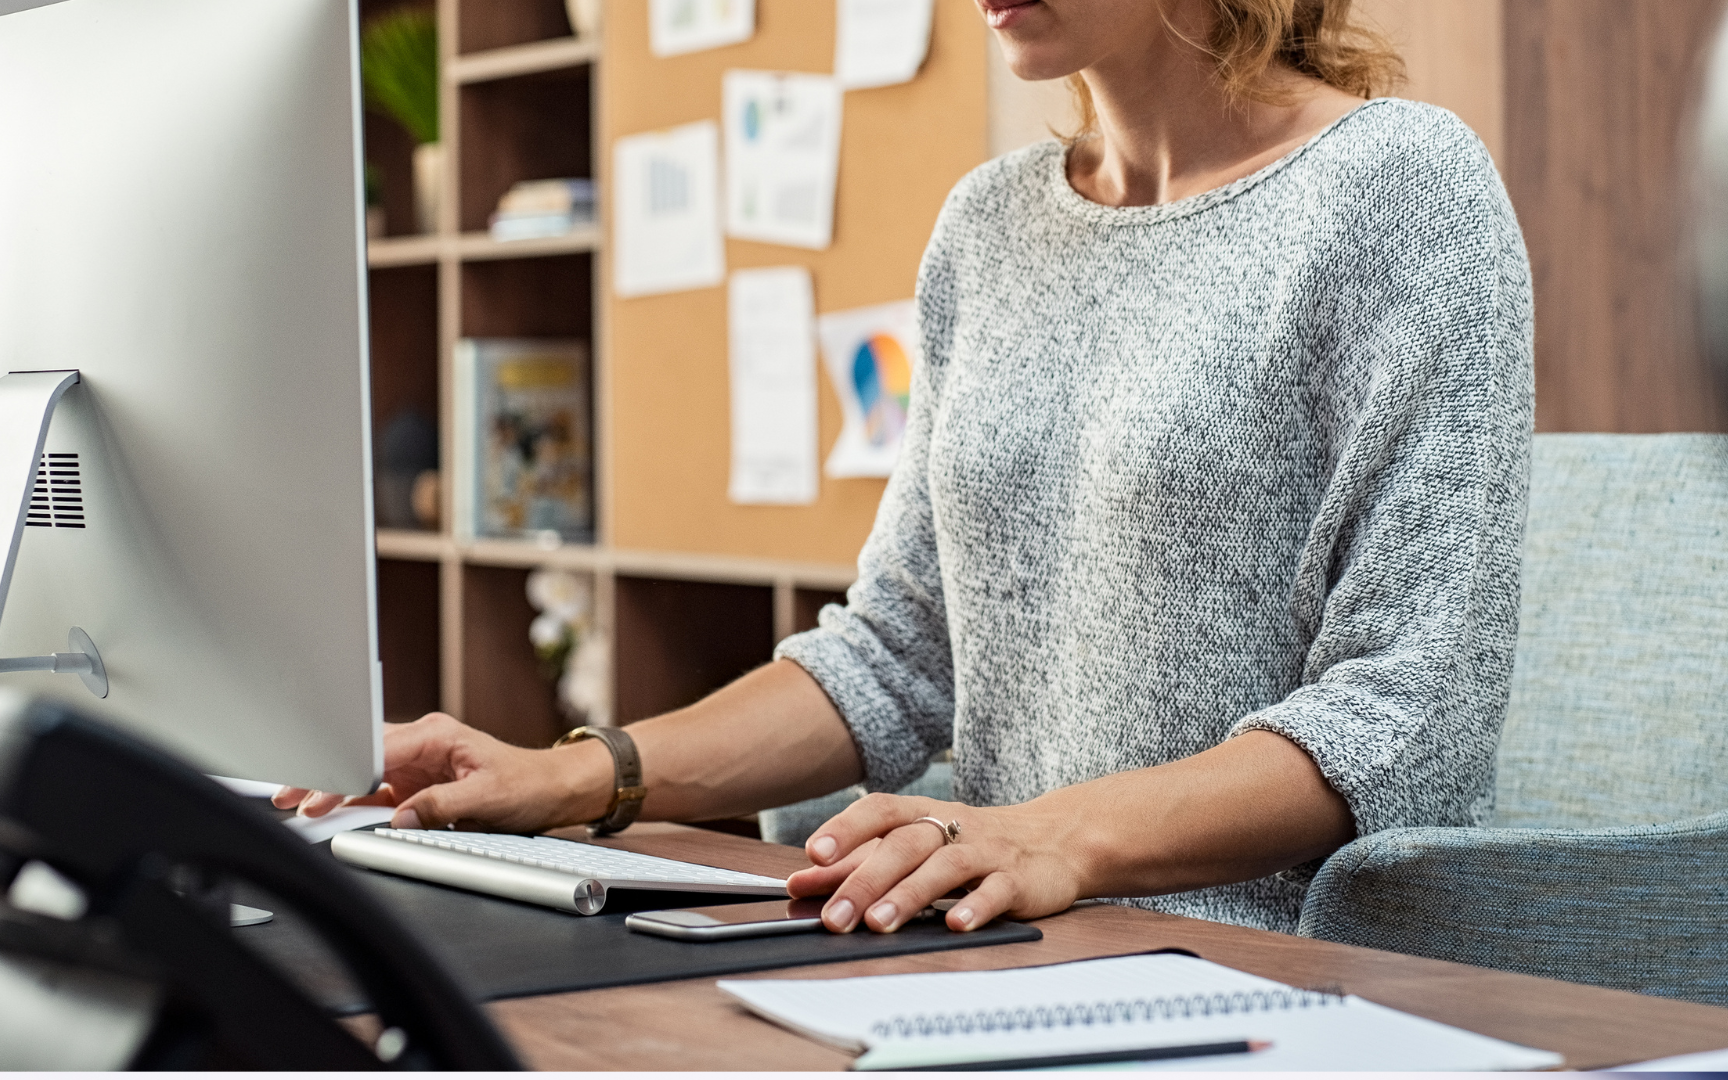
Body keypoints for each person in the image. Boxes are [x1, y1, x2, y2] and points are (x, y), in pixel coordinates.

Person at [282, 0, 1532, 938]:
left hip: (1272, 980)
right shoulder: (988, 226)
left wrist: (1052, 837)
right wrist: (573, 775)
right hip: (990, 950)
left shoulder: (1402, 188)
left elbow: (1410, 716)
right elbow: (895, 656)